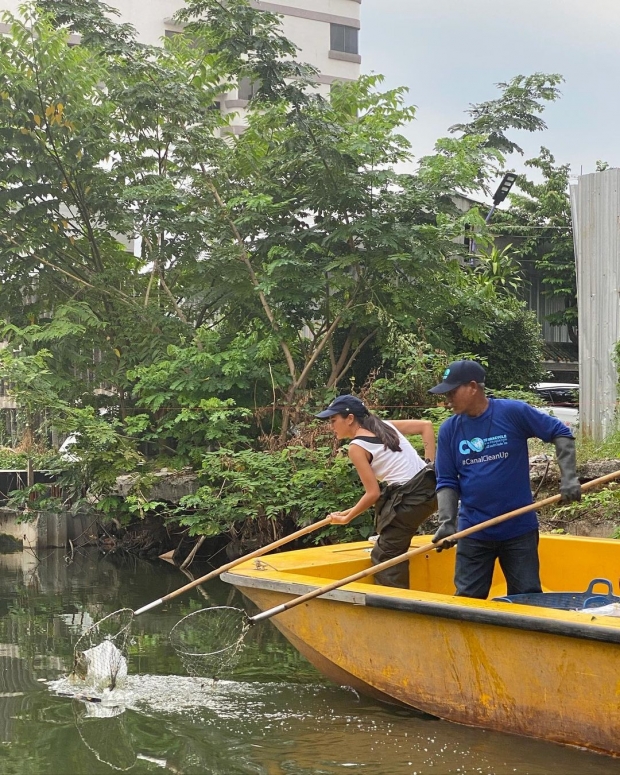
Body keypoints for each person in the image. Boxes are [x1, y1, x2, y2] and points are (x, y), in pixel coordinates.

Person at [428, 359, 581, 599]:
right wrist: (447, 522)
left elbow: (561, 433)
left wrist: (569, 478)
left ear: (472, 387)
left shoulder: (513, 413)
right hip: (474, 531)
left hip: (518, 530)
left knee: (527, 600)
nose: (447, 398)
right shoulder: (449, 430)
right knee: (467, 601)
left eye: (452, 391)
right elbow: (447, 480)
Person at [315, 395, 437, 588]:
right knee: (388, 524)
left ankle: (396, 608)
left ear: (350, 418)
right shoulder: (385, 425)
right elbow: (426, 426)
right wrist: (430, 467)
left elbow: (373, 494)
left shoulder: (357, 447)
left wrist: (347, 519)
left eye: (333, 420)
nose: (331, 426)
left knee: (385, 555)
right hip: (431, 489)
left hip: (411, 498)